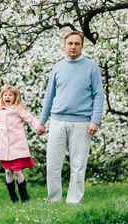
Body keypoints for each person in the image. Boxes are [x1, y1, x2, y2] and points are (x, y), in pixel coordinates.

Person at [37, 31, 104, 204]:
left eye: (77, 43)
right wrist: (42, 122)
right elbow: (49, 96)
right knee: (53, 163)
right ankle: (53, 200)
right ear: (64, 45)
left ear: (82, 46)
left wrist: (95, 121)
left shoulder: (91, 67)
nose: (73, 47)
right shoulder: (57, 67)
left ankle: (74, 201)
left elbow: (98, 95)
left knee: (78, 164)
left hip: (82, 122)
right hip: (58, 120)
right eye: (70, 43)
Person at [0, 85, 44, 203]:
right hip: (4, 147)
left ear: (15, 97)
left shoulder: (18, 109)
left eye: (10, 95)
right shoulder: (0, 110)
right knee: (8, 171)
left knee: (17, 170)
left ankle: (25, 196)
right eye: (5, 95)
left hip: (17, 146)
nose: (7, 97)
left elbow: (30, 119)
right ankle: (13, 197)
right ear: (2, 97)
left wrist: (38, 127)